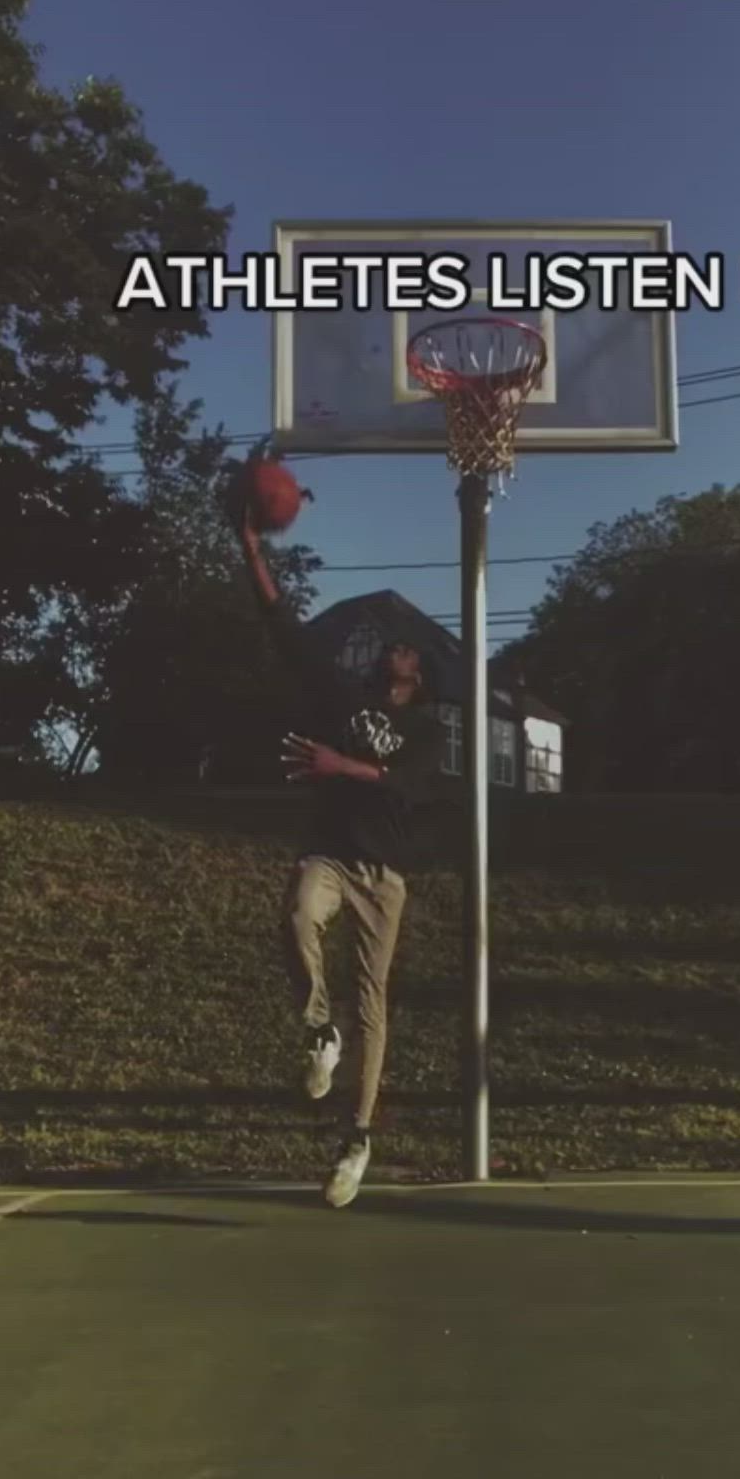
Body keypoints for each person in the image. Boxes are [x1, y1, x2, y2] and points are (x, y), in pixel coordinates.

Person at [239, 503, 447, 1209]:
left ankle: (357, 1137)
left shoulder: (426, 733)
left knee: (375, 1005)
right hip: (329, 855)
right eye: (393, 644)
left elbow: (407, 788)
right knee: (297, 915)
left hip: (384, 876)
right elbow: (285, 630)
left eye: (408, 649)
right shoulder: (343, 696)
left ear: (418, 674)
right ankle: (317, 1030)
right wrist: (251, 548)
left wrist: (338, 766)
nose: (397, 649)